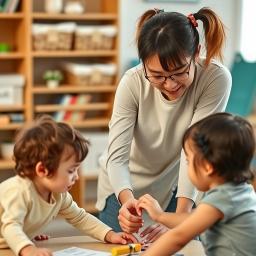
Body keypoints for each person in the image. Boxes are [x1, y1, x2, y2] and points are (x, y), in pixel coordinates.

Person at [96, 6, 232, 241]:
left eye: (179, 72)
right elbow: (117, 157)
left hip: (175, 189)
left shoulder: (215, 78)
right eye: (157, 76)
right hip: (122, 188)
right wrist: (128, 204)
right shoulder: (132, 82)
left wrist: (180, 220)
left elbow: (195, 151)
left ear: (196, 52)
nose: (169, 84)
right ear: (144, 63)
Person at [0, 116, 137, 256]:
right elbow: (11, 226)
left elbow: (80, 218)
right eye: (71, 170)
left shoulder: (58, 195)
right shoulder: (18, 191)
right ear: (42, 170)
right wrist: (27, 248)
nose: (76, 177)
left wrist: (110, 234)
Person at [137, 112, 256, 256]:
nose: (186, 166)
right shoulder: (242, 190)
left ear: (207, 167)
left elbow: (178, 238)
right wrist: (159, 216)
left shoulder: (222, 198)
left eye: (187, 161)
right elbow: (192, 219)